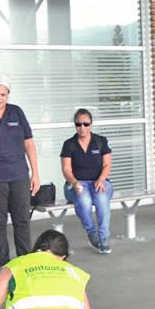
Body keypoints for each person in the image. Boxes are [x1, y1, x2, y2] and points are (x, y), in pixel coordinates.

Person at [0, 73, 40, 269]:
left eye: (3, 94)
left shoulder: (16, 112)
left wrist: (35, 173)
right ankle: (3, 264)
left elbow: (29, 143)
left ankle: (24, 262)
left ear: (8, 95)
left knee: (22, 220)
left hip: (19, 174)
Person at [60, 108, 113, 254]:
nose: (82, 127)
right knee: (84, 201)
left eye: (85, 124)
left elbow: (107, 164)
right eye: (78, 124)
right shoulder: (69, 144)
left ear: (91, 124)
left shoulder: (101, 141)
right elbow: (66, 169)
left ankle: (103, 238)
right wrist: (75, 182)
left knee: (102, 199)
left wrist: (101, 179)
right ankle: (92, 233)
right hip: (77, 183)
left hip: (99, 181)